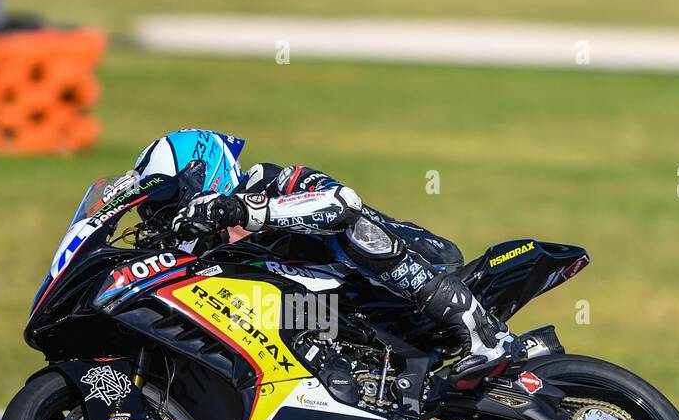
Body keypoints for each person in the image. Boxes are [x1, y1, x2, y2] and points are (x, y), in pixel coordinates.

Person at [133, 128, 513, 384]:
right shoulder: (208, 247)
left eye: (166, 200)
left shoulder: (271, 181)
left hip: (415, 264)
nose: (163, 215)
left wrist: (244, 210)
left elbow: (341, 203)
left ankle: (483, 331)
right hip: (334, 315)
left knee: (349, 228)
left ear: (201, 172)